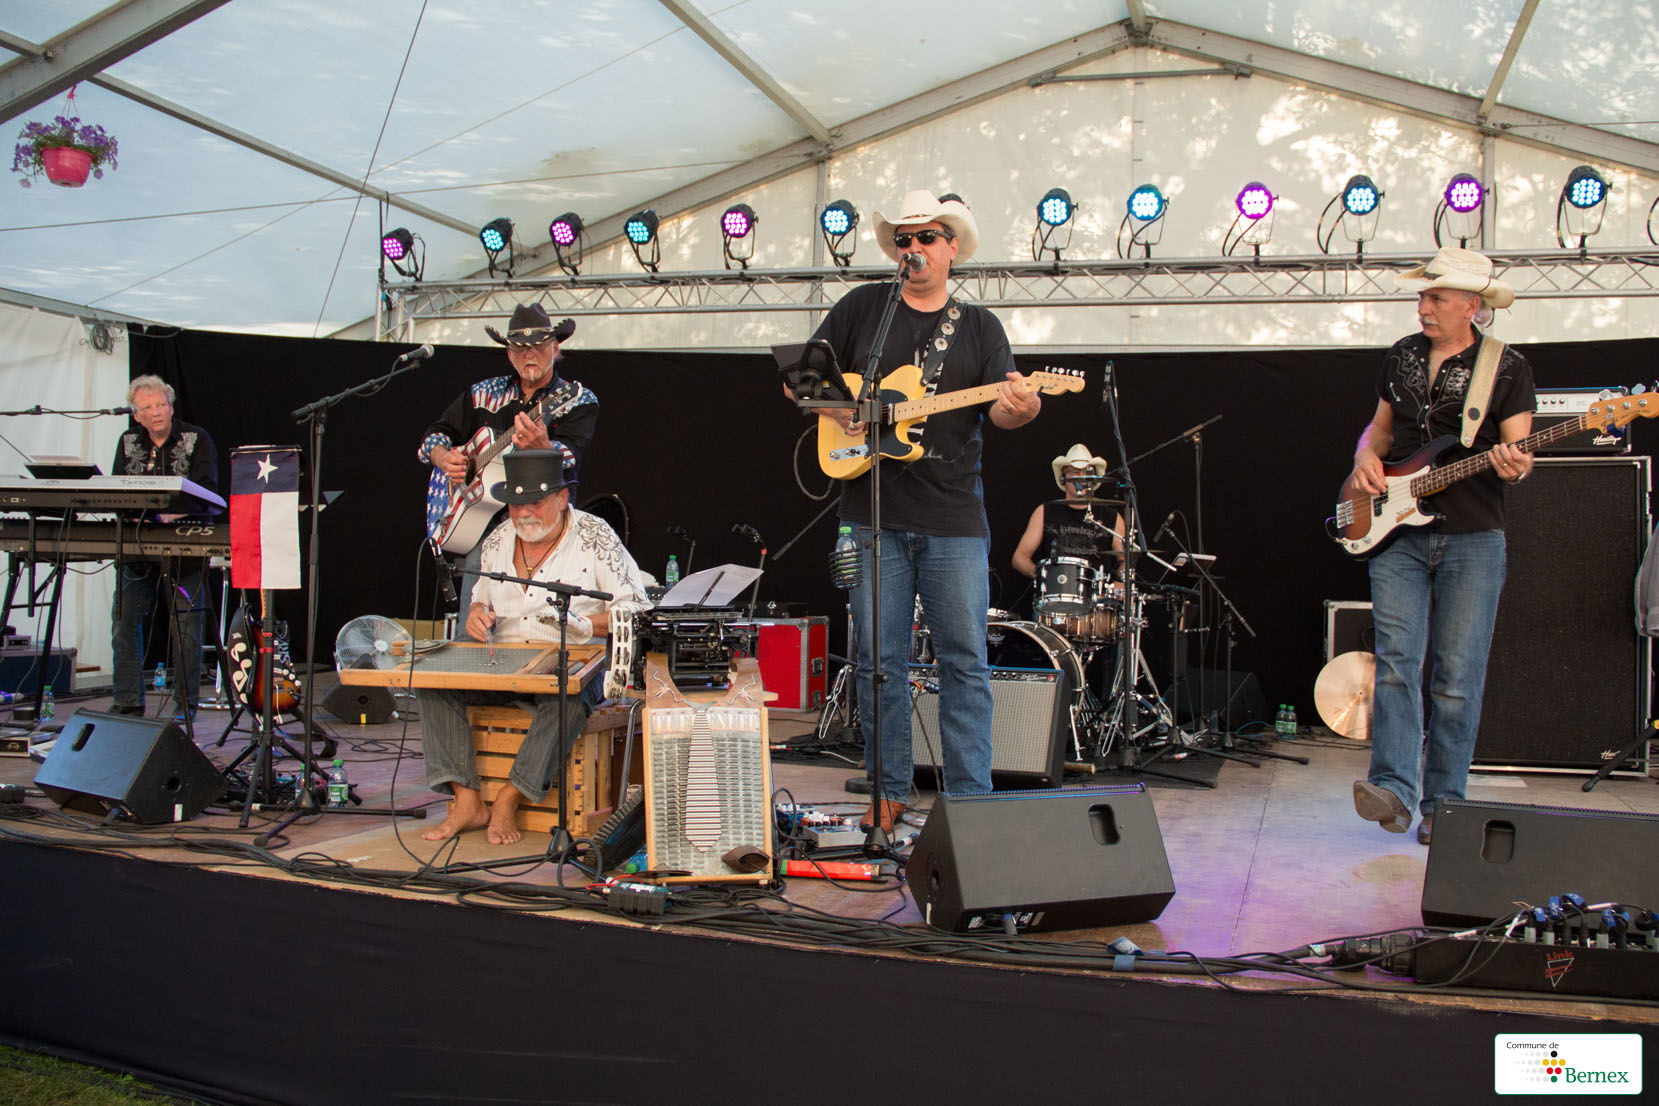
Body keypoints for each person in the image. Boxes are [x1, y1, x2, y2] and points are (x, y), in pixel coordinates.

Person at [806, 189, 1042, 831]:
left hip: (953, 519)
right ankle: (887, 797)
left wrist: (1023, 408)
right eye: (904, 239)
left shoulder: (981, 327)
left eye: (928, 237)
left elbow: (1001, 411)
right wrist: (844, 411)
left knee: (964, 662)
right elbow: (802, 377)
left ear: (952, 247)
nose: (914, 248)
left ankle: (970, 806)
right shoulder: (864, 308)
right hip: (870, 514)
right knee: (877, 665)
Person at [1347, 247, 1534, 846]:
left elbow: (1520, 451)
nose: (1423, 307)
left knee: (1456, 678)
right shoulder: (1401, 354)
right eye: (1423, 296)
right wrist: (1364, 458)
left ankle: (1445, 805)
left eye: (1436, 298)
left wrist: (1514, 466)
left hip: (1473, 537)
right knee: (1395, 666)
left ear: (1471, 306)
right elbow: (1379, 430)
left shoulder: (1507, 367)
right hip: (1397, 533)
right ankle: (1393, 790)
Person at [418, 446, 646, 846]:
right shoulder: (497, 540)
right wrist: (477, 613)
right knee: (433, 683)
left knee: (568, 699)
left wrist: (584, 625)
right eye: (515, 505)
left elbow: (637, 610)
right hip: (505, 660)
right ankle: (467, 799)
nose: (523, 514)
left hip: (576, 659)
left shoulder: (595, 536)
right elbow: (481, 598)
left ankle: (511, 796)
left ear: (562, 497)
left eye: (535, 503)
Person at [419, 304, 598, 617]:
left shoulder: (576, 398)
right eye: (520, 348)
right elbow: (434, 435)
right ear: (509, 354)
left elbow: (570, 454)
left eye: (538, 346)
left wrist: (542, 446)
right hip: (484, 524)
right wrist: (443, 457)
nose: (529, 354)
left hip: (544, 522)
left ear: (555, 349)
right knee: (476, 613)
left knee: (537, 616)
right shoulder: (482, 393)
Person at [109, 374, 220, 718]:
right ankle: (127, 701)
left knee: (186, 630)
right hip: (138, 544)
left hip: (185, 545)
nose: (156, 412)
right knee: (124, 623)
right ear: (136, 415)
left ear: (171, 407)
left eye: (161, 404)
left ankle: (185, 707)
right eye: (147, 407)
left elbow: (208, 489)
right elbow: (117, 489)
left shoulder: (196, 438)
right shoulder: (128, 440)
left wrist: (172, 514)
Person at [1012, 443, 1126, 605]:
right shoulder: (1045, 511)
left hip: (1096, 603)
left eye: (1087, 472)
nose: (1081, 477)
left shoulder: (1111, 517)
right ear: (1063, 477)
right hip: (1053, 600)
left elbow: (1125, 559)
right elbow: (1019, 557)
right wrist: (1044, 576)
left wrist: (1120, 582)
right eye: (1075, 471)